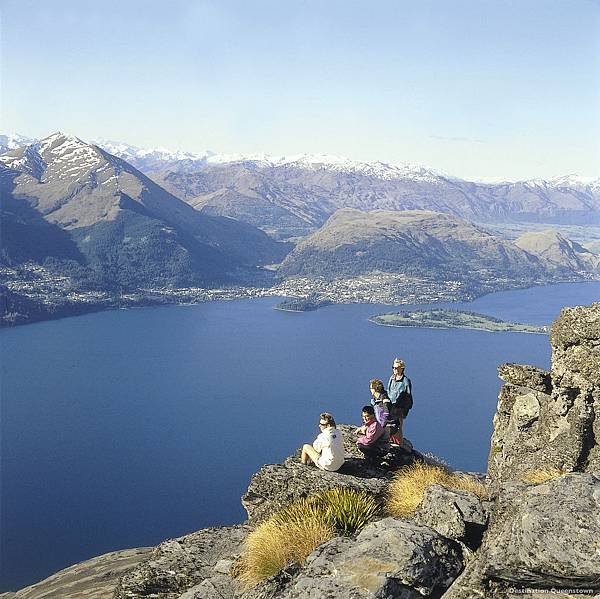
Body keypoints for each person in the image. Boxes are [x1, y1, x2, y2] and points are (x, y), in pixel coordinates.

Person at [387, 358, 412, 444]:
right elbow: (389, 390)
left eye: (397, 368)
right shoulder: (392, 378)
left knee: (399, 425)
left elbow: (408, 396)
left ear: (402, 368)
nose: (395, 369)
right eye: (393, 367)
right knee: (390, 423)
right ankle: (391, 439)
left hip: (400, 407)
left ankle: (399, 443)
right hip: (391, 405)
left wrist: (404, 409)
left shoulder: (405, 381)